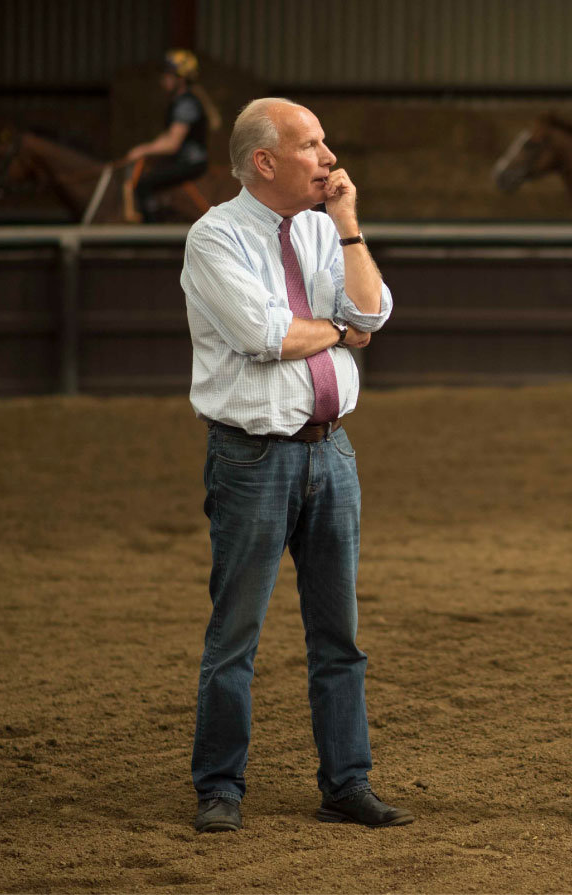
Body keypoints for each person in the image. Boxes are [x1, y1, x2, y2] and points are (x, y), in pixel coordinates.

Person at [181, 97, 402, 833]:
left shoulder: (320, 228)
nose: (329, 157)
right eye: (311, 145)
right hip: (253, 455)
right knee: (235, 635)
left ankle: (347, 782)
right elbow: (264, 335)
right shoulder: (215, 237)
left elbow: (374, 313)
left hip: (330, 450)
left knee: (339, 635)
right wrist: (339, 328)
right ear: (264, 161)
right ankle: (220, 786)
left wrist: (348, 225)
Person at [123, 49, 221, 222]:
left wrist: (142, 150)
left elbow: (172, 143)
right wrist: (148, 148)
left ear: (180, 79)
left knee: (144, 184)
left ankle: (152, 228)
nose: (163, 78)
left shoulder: (186, 105)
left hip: (191, 163)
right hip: (183, 160)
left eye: (168, 74)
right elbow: (167, 136)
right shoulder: (179, 102)